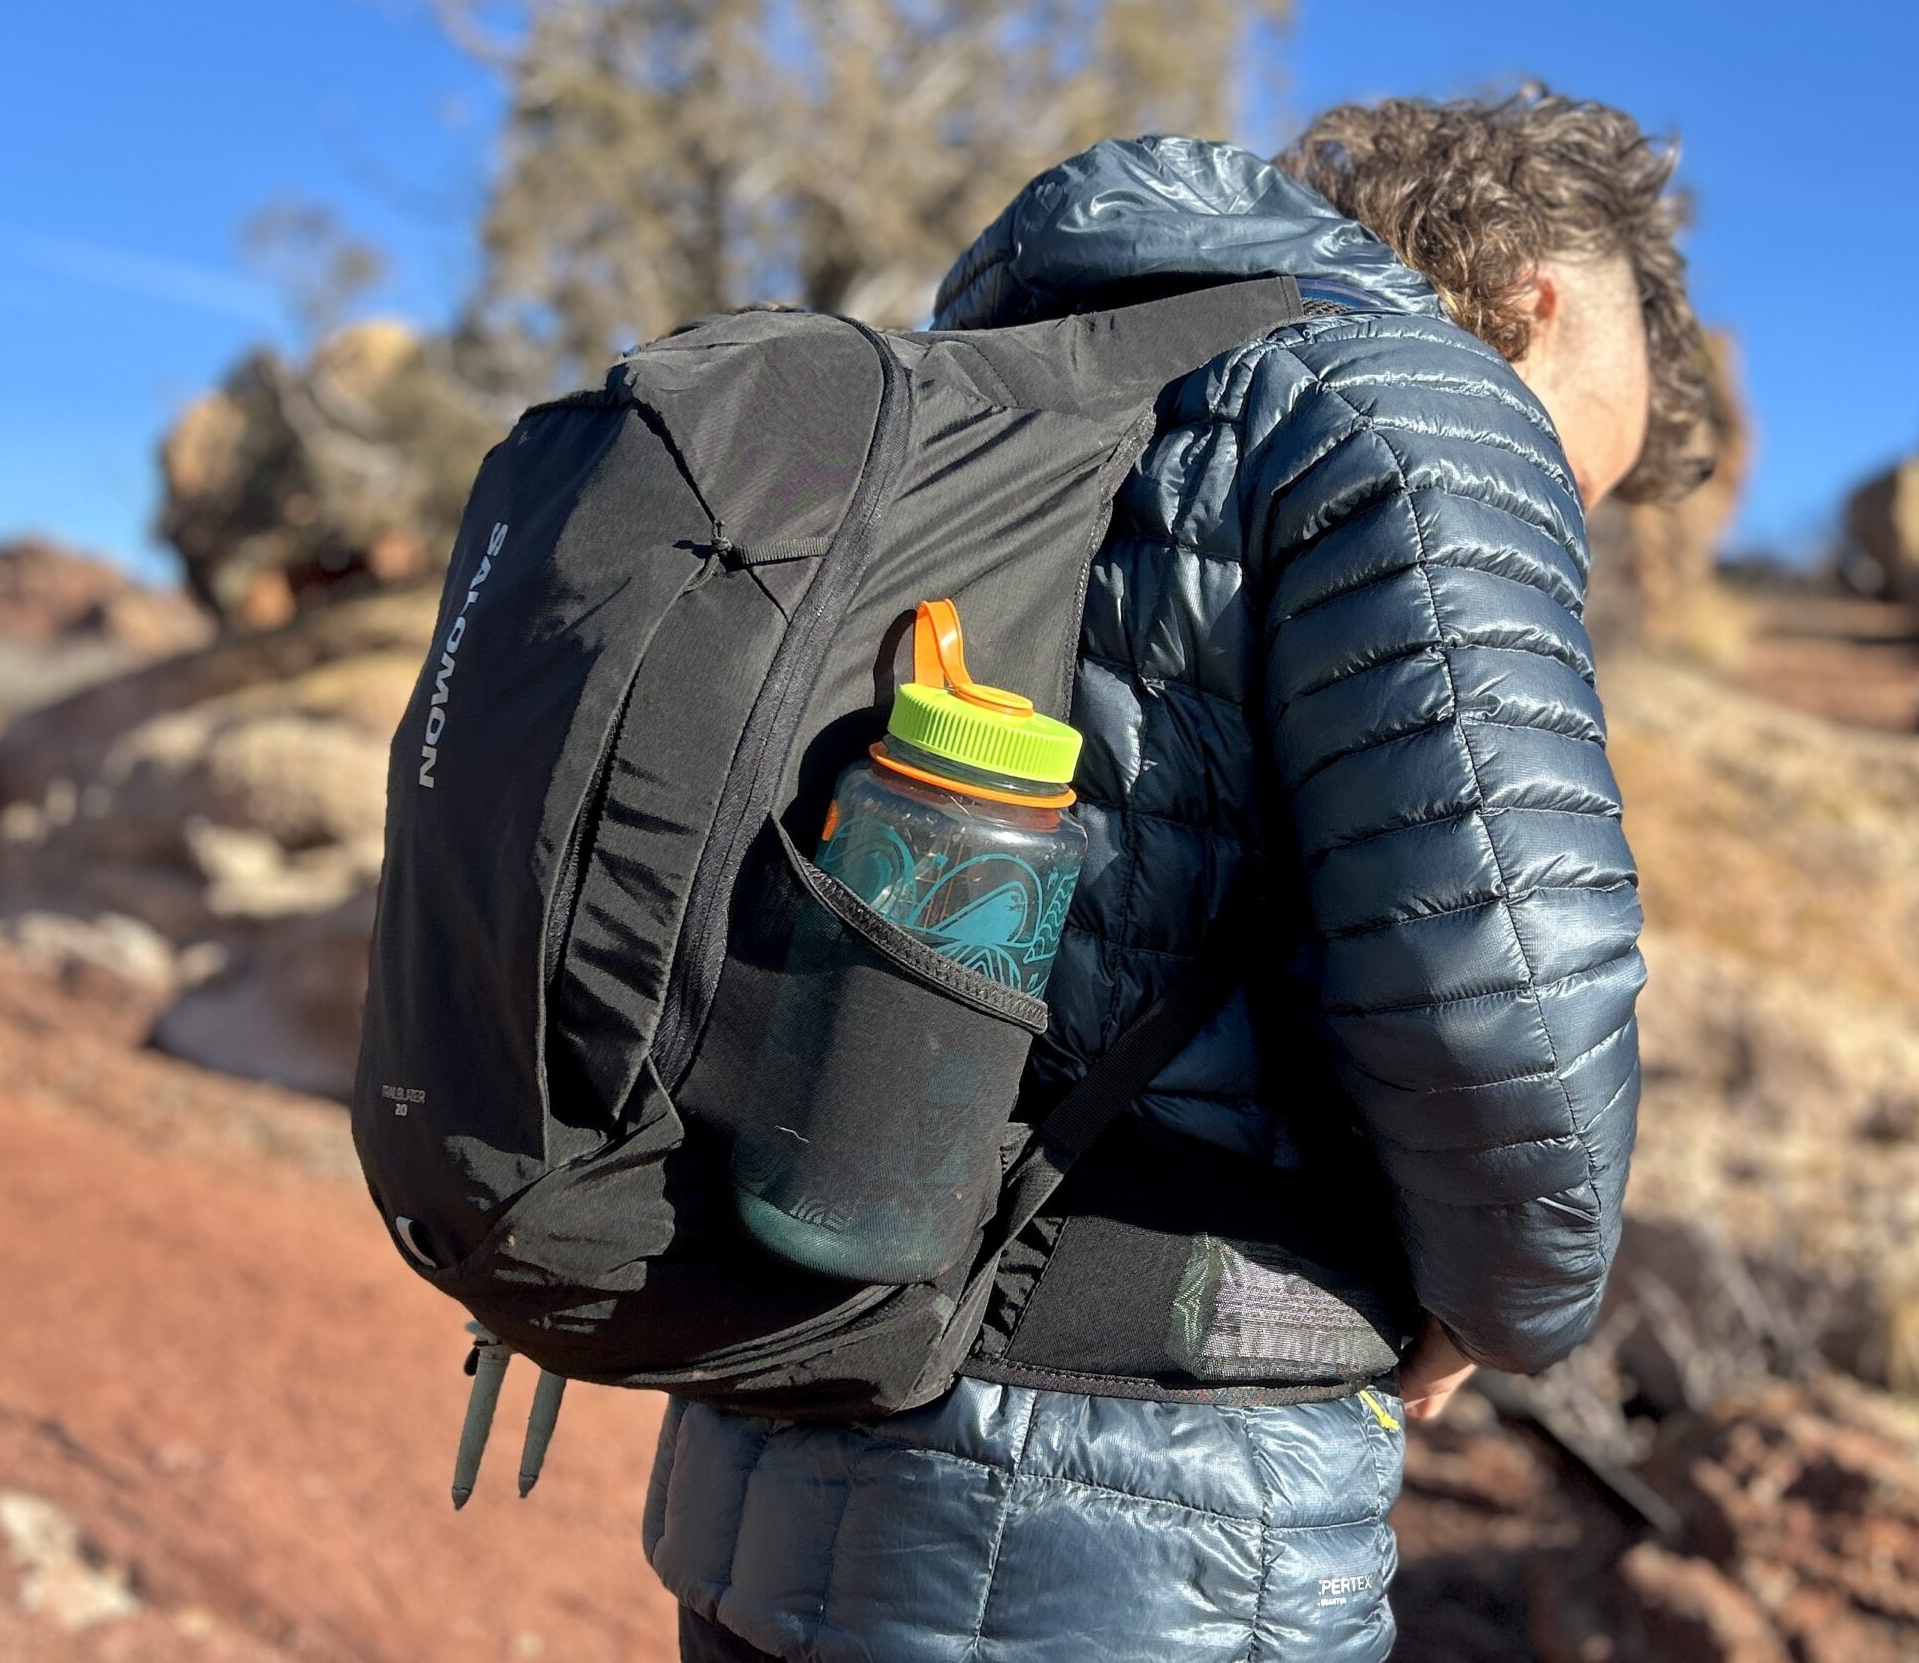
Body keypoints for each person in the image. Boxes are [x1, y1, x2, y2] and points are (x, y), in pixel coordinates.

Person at [647, 88, 1709, 1663]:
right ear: (1543, 307)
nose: (1573, 510)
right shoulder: (1426, 402)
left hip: (771, 1433)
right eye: (1587, 478)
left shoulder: (1006, 386)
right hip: (1140, 1520)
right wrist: (1503, 1307)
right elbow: (1507, 986)